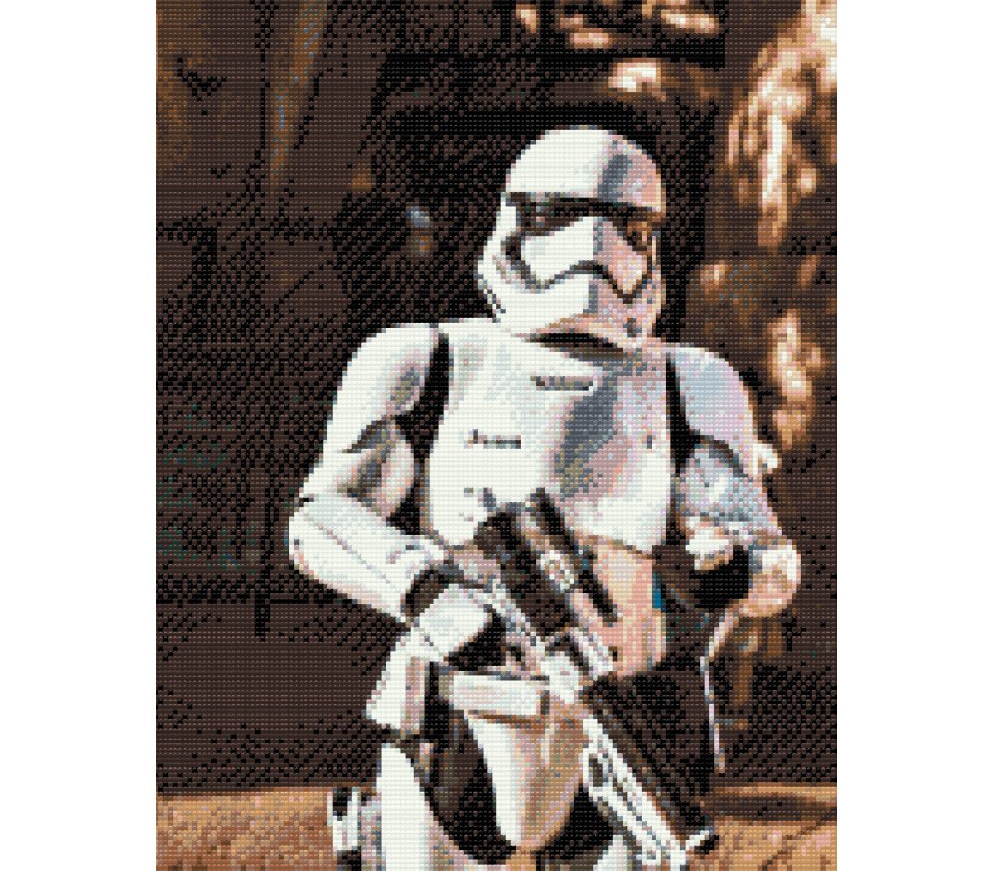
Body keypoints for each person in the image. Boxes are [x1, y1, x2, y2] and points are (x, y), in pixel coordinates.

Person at [288, 127, 800, 870]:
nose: (593, 249)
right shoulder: (429, 360)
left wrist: (730, 570)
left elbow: (770, 560)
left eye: (625, 227)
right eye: (560, 216)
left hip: (620, 714)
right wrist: (425, 588)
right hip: (458, 712)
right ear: (516, 220)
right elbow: (317, 523)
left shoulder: (691, 383)